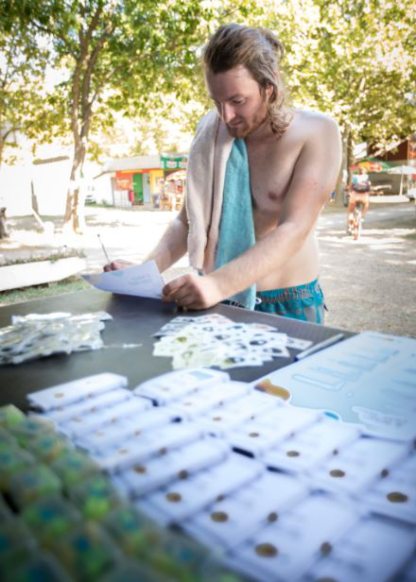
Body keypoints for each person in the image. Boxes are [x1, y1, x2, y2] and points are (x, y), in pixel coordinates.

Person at [105, 24, 342, 324]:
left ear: (269, 86)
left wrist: (216, 285)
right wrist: (142, 274)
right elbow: (187, 222)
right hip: (220, 301)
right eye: (217, 102)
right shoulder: (210, 133)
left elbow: (294, 228)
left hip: (286, 303)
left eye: (237, 101)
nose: (226, 116)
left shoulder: (317, 132)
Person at [347, 167, 371, 234]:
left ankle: (350, 226)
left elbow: (351, 186)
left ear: (358, 171)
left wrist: (349, 192)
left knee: (350, 211)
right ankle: (362, 217)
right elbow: (369, 187)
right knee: (366, 204)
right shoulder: (367, 177)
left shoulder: (355, 177)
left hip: (354, 195)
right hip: (364, 196)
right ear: (365, 172)